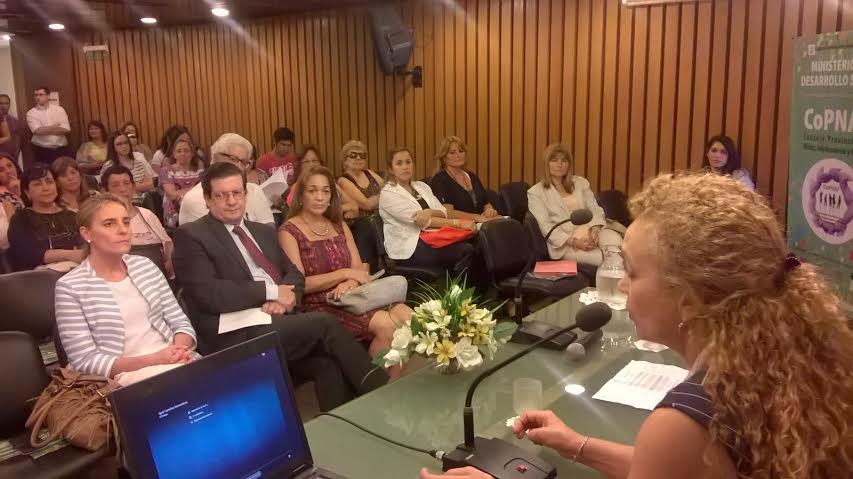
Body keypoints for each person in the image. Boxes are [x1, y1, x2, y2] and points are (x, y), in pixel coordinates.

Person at [424, 172, 853, 479]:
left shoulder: (682, 423)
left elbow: (672, 454)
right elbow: (673, 467)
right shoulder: (771, 364)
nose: (622, 285)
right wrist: (577, 445)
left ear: (688, 294)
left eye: (631, 271)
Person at [172, 162, 388, 411]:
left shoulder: (261, 232)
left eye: (237, 193)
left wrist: (283, 301)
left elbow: (294, 274)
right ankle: (381, 397)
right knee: (325, 323)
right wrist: (272, 292)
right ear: (208, 199)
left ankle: (343, 426)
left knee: (327, 364)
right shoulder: (192, 235)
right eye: (222, 195)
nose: (231, 201)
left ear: (246, 194)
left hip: (278, 319)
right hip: (233, 332)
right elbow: (209, 294)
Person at [279, 165, 412, 378]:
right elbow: (299, 283)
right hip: (319, 304)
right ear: (301, 196)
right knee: (387, 326)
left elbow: (358, 268)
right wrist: (344, 274)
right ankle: (376, 388)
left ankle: (393, 385)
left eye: (325, 191)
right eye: (313, 191)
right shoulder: (289, 231)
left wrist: (351, 281)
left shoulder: (339, 224)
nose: (320, 197)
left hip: (353, 296)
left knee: (408, 317)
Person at [55, 194, 196, 386]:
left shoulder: (145, 266)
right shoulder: (70, 287)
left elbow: (180, 322)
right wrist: (156, 359)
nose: (123, 230)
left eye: (126, 222)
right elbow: (85, 361)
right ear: (87, 234)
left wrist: (178, 350)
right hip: (118, 378)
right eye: (109, 224)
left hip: (173, 359)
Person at [379, 147, 475, 278]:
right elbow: (422, 222)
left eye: (408, 162)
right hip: (410, 247)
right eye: (399, 163)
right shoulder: (388, 193)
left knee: (476, 243)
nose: (405, 167)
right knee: (466, 251)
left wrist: (429, 211)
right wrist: (458, 223)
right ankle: (456, 290)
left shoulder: (422, 186)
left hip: (434, 237)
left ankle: (467, 289)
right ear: (391, 169)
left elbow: (443, 211)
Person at [527, 143, 622, 267]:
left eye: (564, 160)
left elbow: (595, 210)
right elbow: (546, 227)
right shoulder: (535, 192)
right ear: (546, 164)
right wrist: (575, 242)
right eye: (554, 160)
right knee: (605, 260)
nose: (560, 164)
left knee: (618, 249)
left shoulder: (580, 183)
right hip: (566, 243)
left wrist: (594, 230)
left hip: (592, 232)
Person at [178, 133, 274, 226]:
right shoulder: (195, 199)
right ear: (215, 157)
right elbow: (221, 234)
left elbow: (268, 230)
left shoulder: (254, 190)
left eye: (244, 162)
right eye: (233, 159)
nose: (239, 167)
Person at [7, 165, 84, 271]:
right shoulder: (20, 219)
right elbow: (28, 254)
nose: (45, 188)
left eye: (49, 182)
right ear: (27, 192)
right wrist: (70, 255)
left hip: (78, 271)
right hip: (38, 276)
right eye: (37, 184)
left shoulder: (73, 216)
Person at [103, 166, 174, 278]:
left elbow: (168, 247)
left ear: (133, 187)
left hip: (156, 276)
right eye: (116, 185)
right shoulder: (102, 219)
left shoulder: (147, 214)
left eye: (126, 183)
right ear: (105, 190)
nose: (123, 189)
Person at [430, 136, 498, 221]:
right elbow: (447, 212)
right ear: (444, 158)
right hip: (459, 225)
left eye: (461, 151)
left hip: (482, 222)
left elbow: (486, 203)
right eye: (452, 153)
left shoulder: (472, 176)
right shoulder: (439, 180)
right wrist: (477, 218)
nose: (458, 155)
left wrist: (490, 210)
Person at [286, 145, 359, 219]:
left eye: (314, 161)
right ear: (299, 165)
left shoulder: (331, 184)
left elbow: (353, 205)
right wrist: (336, 210)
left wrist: (337, 211)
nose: (311, 165)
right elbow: (308, 213)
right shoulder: (297, 187)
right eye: (306, 162)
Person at [159, 137, 204, 228]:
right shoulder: (166, 171)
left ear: (192, 154)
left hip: (196, 206)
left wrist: (182, 193)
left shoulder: (199, 171)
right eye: (179, 151)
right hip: (174, 211)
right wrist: (194, 189)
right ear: (174, 154)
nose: (182, 154)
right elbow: (172, 195)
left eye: (186, 151)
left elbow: (204, 190)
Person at [100, 131, 156, 202]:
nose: (124, 146)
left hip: (143, 199)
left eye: (126, 143)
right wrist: (140, 186)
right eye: (119, 144)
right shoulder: (109, 166)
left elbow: (152, 183)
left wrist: (138, 187)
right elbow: (106, 190)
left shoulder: (138, 162)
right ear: (113, 147)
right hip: (119, 201)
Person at [337, 140, 384, 217]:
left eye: (362, 155)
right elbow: (367, 205)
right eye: (353, 155)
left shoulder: (369, 172)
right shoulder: (343, 180)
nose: (358, 158)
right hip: (365, 222)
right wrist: (384, 196)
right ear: (345, 160)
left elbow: (388, 189)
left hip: (383, 216)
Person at [26, 87, 71, 165]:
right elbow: (37, 131)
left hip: (61, 149)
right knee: (44, 171)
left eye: (41, 94)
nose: (37, 97)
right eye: (36, 95)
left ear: (48, 96)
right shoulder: (31, 113)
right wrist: (55, 126)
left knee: (62, 170)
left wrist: (45, 130)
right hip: (42, 150)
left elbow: (66, 129)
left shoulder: (59, 110)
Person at [0, 94, 20, 159]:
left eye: (6, 103)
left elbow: (17, 137)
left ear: (9, 105)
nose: (3, 106)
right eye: (1, 103)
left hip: (12, 156)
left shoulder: (14, 120)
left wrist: (17, 152)